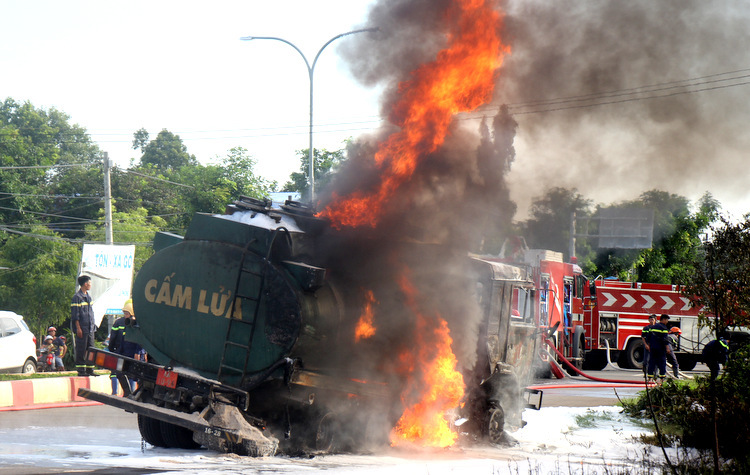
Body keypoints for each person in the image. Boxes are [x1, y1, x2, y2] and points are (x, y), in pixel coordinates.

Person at [108, 299, 143, 395]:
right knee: (118, 372)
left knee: (132, 375)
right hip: (123, 352)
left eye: (127, 313)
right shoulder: (125, 324)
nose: (125, 315)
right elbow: (122, 340)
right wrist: (116, 352)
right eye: (124, 313)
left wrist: (137, 353)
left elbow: (140, 342)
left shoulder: (137, 325)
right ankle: (123, 393)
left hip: (133, 355)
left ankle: (130, 394)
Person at [71, 275, 96, 376]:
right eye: (89, 283)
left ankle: (90, 370)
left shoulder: (88, 297)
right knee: (81, 349)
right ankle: (81, 370)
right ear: (85, 284)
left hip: (90, 328)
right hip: (82, 328)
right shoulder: (77, 298)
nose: (90, 285)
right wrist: (78, 328)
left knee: (91, 349)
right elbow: (75, 315)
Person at [646, 314, 670, 382]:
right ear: (664, 319)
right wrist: (667, 348)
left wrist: (649, 345)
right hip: (661, 349)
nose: (667, 321)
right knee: (662, 363)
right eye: (667, 320)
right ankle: (662, 379)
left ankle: (650, 378)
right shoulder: (664, 328)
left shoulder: (653, 327)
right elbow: (665, 339)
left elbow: (648, 337)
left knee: (652, 362)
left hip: (653, 348)